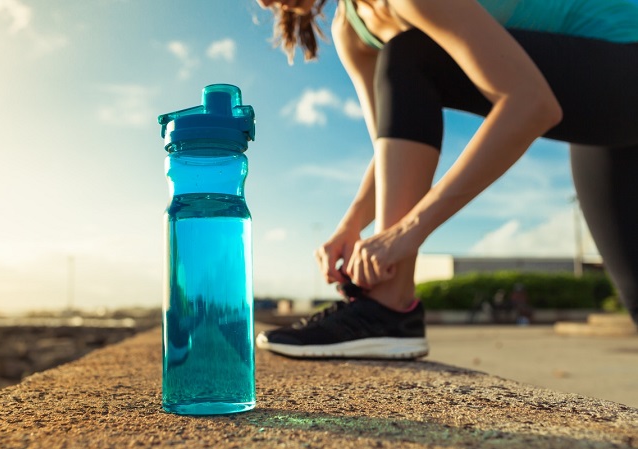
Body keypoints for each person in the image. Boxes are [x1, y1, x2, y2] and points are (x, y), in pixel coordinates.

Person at [254, 0, 638, 359]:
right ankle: (388, 308)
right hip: (595, 103)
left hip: (623, 57)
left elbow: (530, 104)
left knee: (408, 54)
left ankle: (389, 306)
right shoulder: (350, 31)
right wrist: (351, 224)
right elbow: (395, 149)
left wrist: (407, 232)